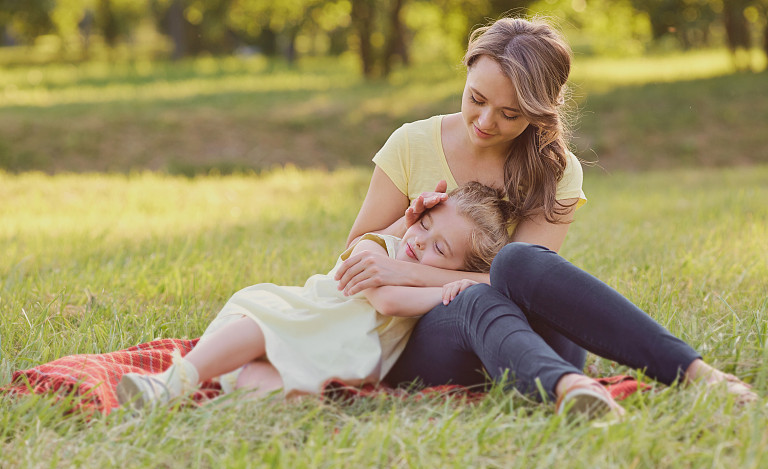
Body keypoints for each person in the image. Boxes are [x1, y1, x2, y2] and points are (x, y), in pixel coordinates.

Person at [328, 16, 756, 417]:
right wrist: (402, 229)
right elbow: (354, 260)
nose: (485, 121)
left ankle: (696, 373)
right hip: (429, 342)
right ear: (467, 72)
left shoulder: (556, 169)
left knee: (517, 262)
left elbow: (517, 285)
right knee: (473, 297)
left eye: (510, 114)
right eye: (476, 98)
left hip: (531, 341)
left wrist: (411, 274)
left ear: (539, 111)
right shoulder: (411, 143)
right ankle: (568, 390)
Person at [115, 183, 512, 408]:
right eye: (424, 225)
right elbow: (387, 301)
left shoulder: (429, 283)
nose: (420, 243)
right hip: (304, 316)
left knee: (269, 387)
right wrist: (447, 287)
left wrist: (465, 282)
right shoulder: (376, 247)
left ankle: (213, 409)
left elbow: (498, 283)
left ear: (459, 266)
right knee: (262, 327)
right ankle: (174, 380)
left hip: (339, 354)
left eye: (440, 250)